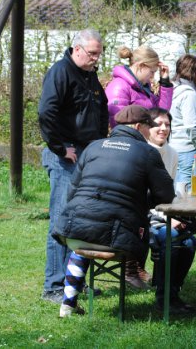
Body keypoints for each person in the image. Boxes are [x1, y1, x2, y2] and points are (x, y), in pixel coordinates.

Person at [52, 105, 175, 317]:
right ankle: (149, 283)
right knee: (99, 231)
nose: (150, 131)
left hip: (73, 232)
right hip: (116, 238)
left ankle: (68, 304)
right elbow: (166, 195)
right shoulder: (148, 152)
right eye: (149, 126)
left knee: (85, 237)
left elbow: (72, 191)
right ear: (138, 127)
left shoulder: (93, 147)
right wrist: (141, 200)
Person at [38, 29, 109, 304]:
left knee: (81, 221)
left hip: (86, 155)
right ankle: (54, 286)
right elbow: (46, 112)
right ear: (76, 49)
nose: (96, 59)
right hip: (65, 157)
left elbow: (101, 110)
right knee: (62, 221)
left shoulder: (89, 76)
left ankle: (74, 282)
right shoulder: (61, 72)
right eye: (92, 54)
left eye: (99, 54)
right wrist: (59, 147)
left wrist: (99, 146)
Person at [146, 107, 196, 313]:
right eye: (158, 124)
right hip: (144, 216)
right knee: (172, 238)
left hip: (166, 214)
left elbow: (168, 192)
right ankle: (163, 297)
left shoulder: (172, 153)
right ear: (147, 127)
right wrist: (167, 218)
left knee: (191, 242)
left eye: (167, 124)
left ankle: (173, 294)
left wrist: (178, 213)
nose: (163, 128)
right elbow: (142, 200)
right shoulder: (142, 152)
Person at [105, 45, 173, 128]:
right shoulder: (119, 87)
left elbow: (161, 113)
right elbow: (118, 125)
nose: (152, 76)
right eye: (152, 72)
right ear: (141, 66)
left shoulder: (144, 88)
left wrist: (165, 82)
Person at [169, 54, 196, 183]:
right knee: (186, 187)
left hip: (177, 147)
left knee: (178, 185)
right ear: (194, 72)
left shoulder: (174, 90)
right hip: (189, 149)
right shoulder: (189, 94)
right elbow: (191, 126)